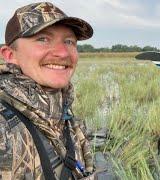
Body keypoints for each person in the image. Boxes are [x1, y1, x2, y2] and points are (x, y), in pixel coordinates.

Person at [0, 2, 95, 179]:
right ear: (10, 55)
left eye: (69, 41)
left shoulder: (64, 112)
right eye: (42, 39)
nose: (62, 53)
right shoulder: (3, 127)